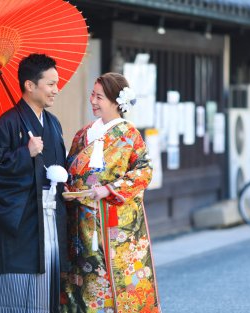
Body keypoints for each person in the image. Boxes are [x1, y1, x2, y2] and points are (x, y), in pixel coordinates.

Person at [60, 72, 162, 312]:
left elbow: (144, 171)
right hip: (80, 219)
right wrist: (67, 185)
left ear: (117, 102)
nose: (93, 101)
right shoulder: (83, 134)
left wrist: (109, 189)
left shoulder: (129, 135)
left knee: (109, 277)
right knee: (80, 277)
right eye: (92, 95)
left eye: (99, 97)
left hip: (111, 220)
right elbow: (71, 168)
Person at [0, 53, 68, 313]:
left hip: (51, 213)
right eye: (50, 84)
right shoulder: (7, 124)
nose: (56, 90)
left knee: (50, 276)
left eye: (57, 83)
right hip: (23, 219)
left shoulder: (52, 123)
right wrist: (24, 153)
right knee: (22, 285)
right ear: (30, 85)